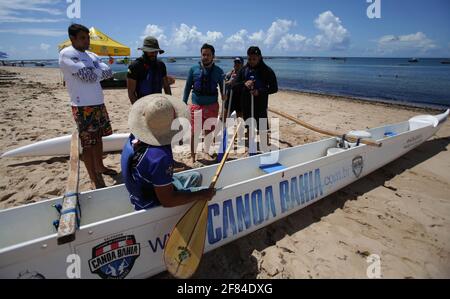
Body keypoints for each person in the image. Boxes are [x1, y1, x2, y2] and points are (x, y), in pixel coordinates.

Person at [121, 94, 216, 210]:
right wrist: (202, 194)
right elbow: (168, 200)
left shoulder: (134, 138)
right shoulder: (160, 157)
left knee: (196, 176)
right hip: (151, 202)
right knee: (207, 191)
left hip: (139, 189)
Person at [59, 24, 117, 189]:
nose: (87, 41)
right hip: (82, 105)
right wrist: (97, 71)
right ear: (73, 39)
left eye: (88, 37)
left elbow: (109, 72)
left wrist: (95, 71)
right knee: (88, 144)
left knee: (98, 138)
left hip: (98, 102)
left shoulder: (91, 54)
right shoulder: (67, 54)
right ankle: (93, 177)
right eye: (83, 38)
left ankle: (100, 167)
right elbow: (88, 76)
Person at [183, 43, 225, 163]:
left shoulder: (219, 71)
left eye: (208, 55)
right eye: (203, 54)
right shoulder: (193, 70)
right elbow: (187, 88)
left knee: (208, 131)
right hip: (197, 105)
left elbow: (223, 89)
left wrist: (224, 96)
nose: (205, 57)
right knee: (194, 132)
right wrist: (183, 102)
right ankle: (193, 155)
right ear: (201, 55)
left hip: (212, 105)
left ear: (213, 56)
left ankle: (206, 151)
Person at [233, 46, 278, 153]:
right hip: (246, 104)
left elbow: (274, 88)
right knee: (249, 127)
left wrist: (260, 91)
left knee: (262, 128)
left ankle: (265, 148)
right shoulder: (244, 70)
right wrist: (244, 83)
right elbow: (235, 85)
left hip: (260, 105)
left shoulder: (267, 71)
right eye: (249, 59)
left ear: (259, 58)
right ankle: (250, 147)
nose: (251, 61)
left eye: (254, 59)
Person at [127, 36, 172, 104]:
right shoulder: (135, 66)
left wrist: (170, 103)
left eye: (155, 51)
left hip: (158, 103)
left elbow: (166, 86)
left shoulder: (161, 65)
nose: (154, 54)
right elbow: (131, 93)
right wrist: (139, 110)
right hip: (142, 103)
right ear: (145, 50)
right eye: (151, 51)